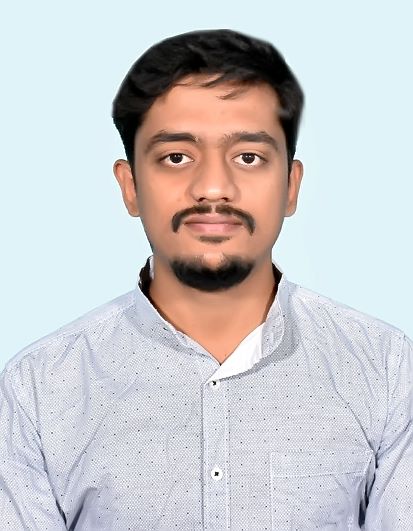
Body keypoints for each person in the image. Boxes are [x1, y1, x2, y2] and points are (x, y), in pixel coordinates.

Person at [0, 28, 411, 531]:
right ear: (130, 187)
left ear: (290, 186)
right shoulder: (39, 388)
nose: (214, 187)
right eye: (176, 157)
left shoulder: (386, 370)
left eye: (248, 157)